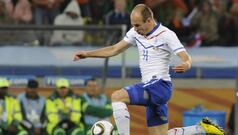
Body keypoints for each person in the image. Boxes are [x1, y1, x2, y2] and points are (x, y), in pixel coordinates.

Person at [73, 4, 224, 135]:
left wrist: (186, 64)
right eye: (133, 25)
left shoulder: (167, 35)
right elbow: (114, 49)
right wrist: (87, 54)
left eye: (138, 25)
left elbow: (186, 57)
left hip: (160, 86)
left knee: (117, 96)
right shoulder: (135, 32)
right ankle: (202, 128)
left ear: (149, 21)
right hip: (151, 89)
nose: (135, 29)